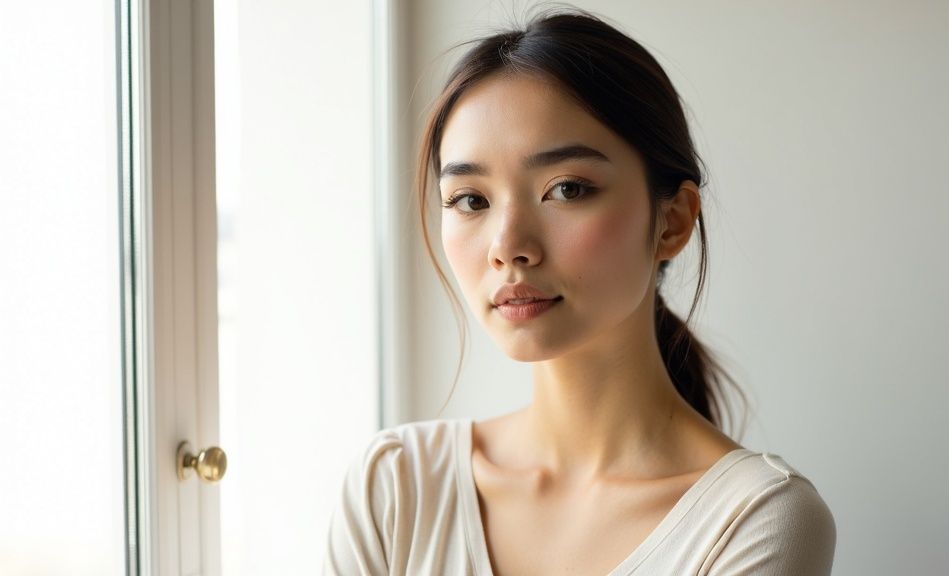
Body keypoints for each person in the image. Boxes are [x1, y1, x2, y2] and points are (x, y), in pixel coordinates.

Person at [324, 7, 836, 575]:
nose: (509, 246)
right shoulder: (396, 487)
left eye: (566, 189)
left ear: (672, 221)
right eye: (471, 199)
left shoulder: (754, 519)